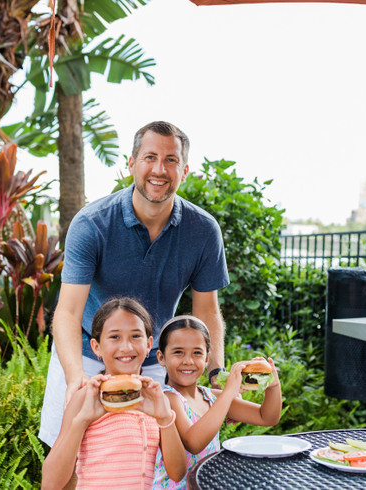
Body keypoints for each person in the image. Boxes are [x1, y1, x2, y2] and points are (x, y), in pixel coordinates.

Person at [39, 121, 230, 446]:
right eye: (150, 157)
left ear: (184, 170)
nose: (159, 169)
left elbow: (207, 312)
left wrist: (215, 374)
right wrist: (75, 378)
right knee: (68, 454)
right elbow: (68, 312)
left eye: (171, 160)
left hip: (151, 360)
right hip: (86, 355)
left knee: (147, 457)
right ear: (131, 164)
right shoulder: (91, 223)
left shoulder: (203, 231)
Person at [41, 297, 187, 489]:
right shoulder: (86, 397)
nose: (126, 347)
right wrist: (82, 420)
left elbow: (177, 473)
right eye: (114, 337)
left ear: (149, 344)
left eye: (136, 336)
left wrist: (164, 418)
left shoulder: (155, 398)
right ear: (96, 347)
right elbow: (50, 483)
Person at [151, 315, 282, 489]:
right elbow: (193, 443)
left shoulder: (211, 397)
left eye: (197, 353)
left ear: (207, 359)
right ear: (161, 357)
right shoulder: (167, 399)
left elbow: (266, 417)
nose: (188, 361)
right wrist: (229, 392)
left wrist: (273, 386)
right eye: (178, 352)